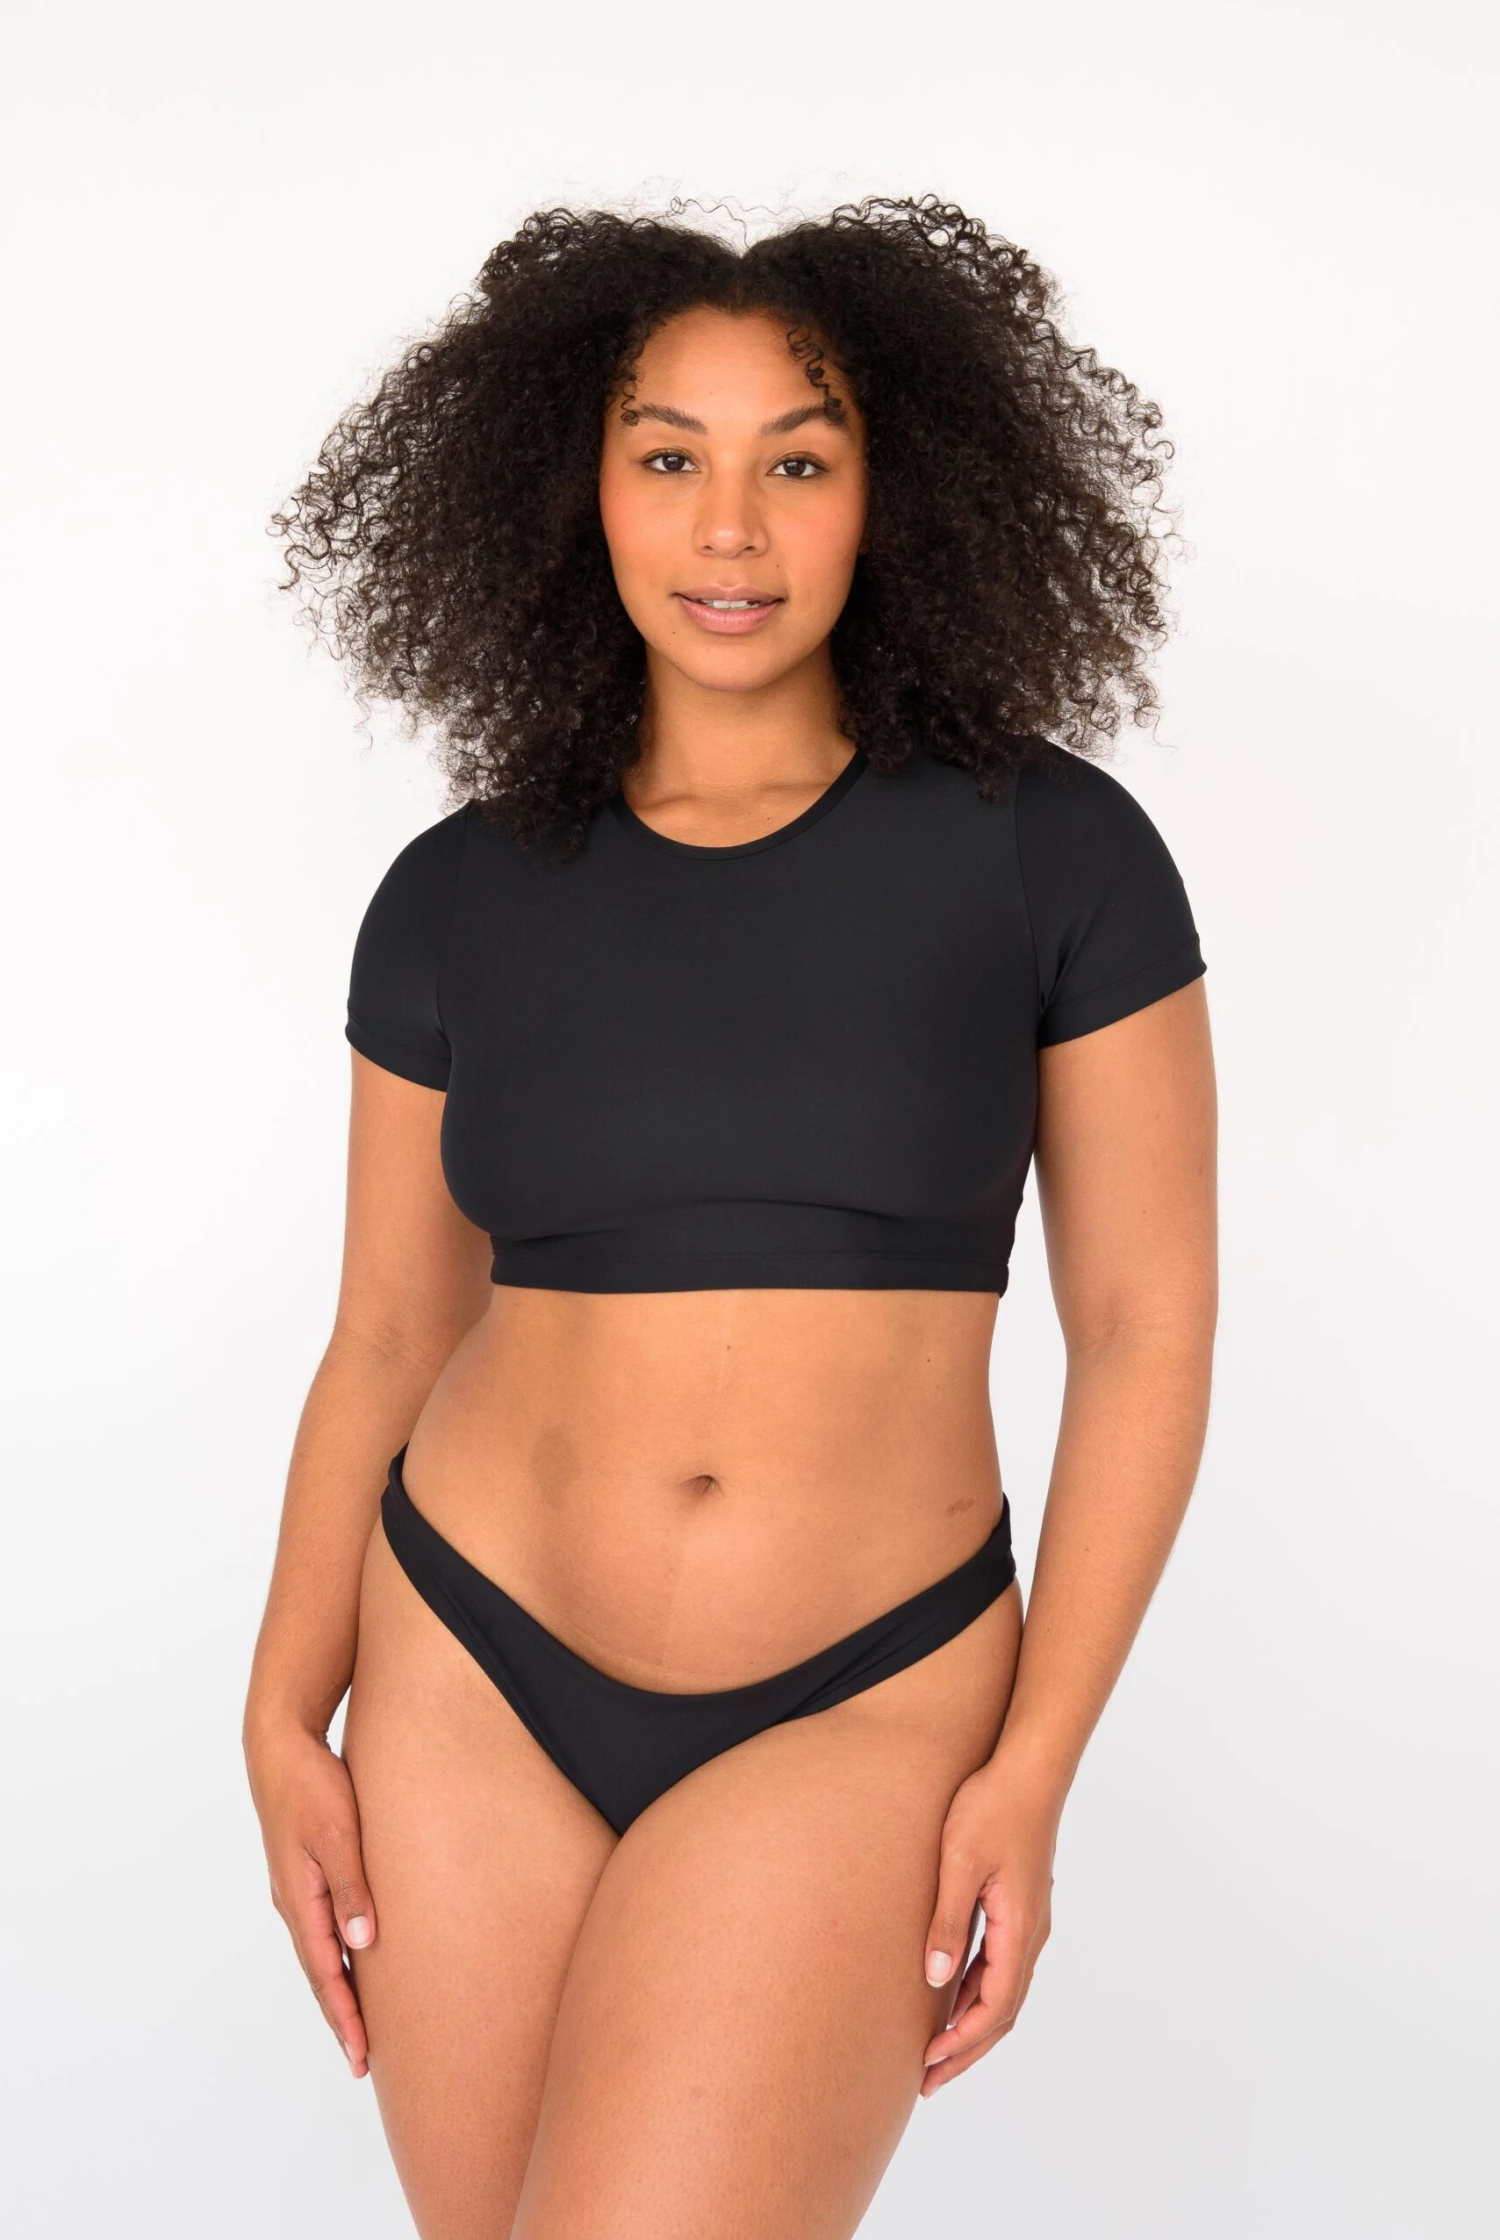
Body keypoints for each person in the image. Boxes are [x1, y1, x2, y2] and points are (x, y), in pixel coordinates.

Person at [244, 195, 1217, 2240]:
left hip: (863, 1694)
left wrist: (1034, 1767)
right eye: (668, 456)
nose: (730, 528)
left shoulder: (1053, 853)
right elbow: (390, 1335)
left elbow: (1144, 1326)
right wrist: (278, 1704)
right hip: (468, 1671)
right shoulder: (457, 893)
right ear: (574, 491)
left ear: (895, 491)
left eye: (800, 460)